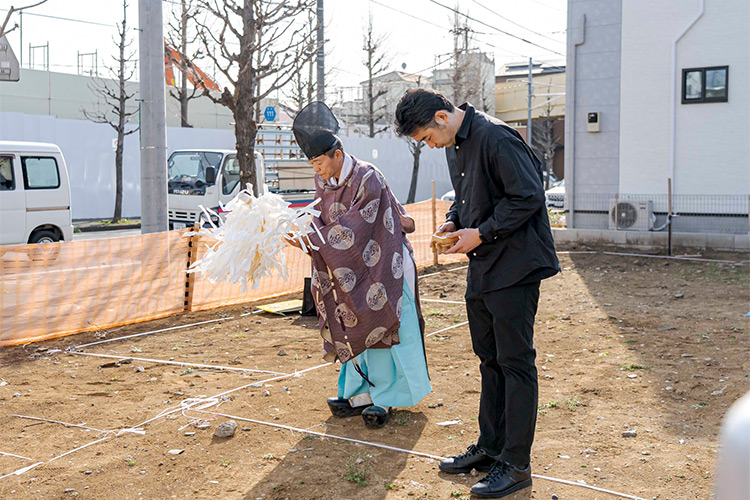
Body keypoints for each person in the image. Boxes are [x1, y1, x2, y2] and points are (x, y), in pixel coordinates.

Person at [394, 88, 560, 498]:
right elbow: (466, 201)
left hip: (516, 266)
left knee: (515, 362)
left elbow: (528, 196)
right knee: (489, 360)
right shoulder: (455, 145)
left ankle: (517, 463)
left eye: (426, 137)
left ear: (441, 116)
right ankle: (490, 447)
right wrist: (454, 223)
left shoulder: (497, 137)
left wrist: (481, 232)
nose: (429, 146)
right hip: (483, 267)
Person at [286, 101, 431, 429]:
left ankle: (388, 397)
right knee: (351, 321)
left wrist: (316, 240)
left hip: (387, 264)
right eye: (313, 165)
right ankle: (357, 394)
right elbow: (324, 220)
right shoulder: (323, 181)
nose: (318, 171)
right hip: (348, 268)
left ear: (337, 153)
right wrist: (304, 234)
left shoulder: (369, 177)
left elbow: (360, 227)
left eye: (320, 163)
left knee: (385, 327)